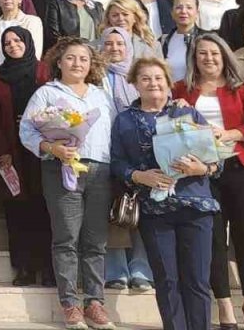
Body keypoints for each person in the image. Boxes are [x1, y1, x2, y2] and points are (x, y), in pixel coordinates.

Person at [110, 57, 219, 330]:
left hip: (196, 205)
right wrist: (140, 176)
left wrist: (200, 168)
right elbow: (117, 162)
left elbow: (219, 159)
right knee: (167, 280)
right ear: (134, 84)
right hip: (154, 210)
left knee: (197, 279)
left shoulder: (188, 114)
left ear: (169, 83)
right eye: (145, 78)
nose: (153, 83)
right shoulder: (124, 120)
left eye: (158, 78)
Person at [19, 37, 118, 330]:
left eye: (84, 59)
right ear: (59, 62)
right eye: (71, 58)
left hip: (100, 171)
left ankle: (95, 302)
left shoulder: (102, 95)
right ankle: (70, 303)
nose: (78, 64)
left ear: (92, 64)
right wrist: (52, 149)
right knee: (66, 238)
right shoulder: (47, 94)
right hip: (62, 171)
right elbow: (27, 131)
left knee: (96, 240)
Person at [173, 33, 244, 330]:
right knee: (212, 240)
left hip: (239, 168)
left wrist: (227, 135)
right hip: (201, 174)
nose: (208, 58)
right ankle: (224, 306)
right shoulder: (182, 89)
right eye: (202, 54)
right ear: (194, 58)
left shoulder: (243, 87)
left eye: (214, 53)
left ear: (224, 56)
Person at [0, 26, 53, 287]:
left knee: (44, 208)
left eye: (17, 40)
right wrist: (2, 151)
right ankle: (24, 267)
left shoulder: (43, 71)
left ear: (28, 42)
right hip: (11, 153)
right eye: (7, 42)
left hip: (42, 152)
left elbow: (54, 105)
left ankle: (48, 269)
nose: (13, 46)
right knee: (17, 212)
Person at [99, 27, 153, 292]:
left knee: (141, 211)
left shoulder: (138, 75)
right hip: (105, 151)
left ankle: (141, 269)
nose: (114, 48)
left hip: (139, 150)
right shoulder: (94, 75)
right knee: (113, 211)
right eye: (108, 43)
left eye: (119, 43)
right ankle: (116, 271)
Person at [159, 0, 200, 88]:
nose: (183, 11)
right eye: (178, 7)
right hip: (170, 95)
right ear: (172, 13)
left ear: (197, 12)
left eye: (189, 8)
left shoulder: (207, 39)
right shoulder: (163, 41)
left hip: (197, 93)